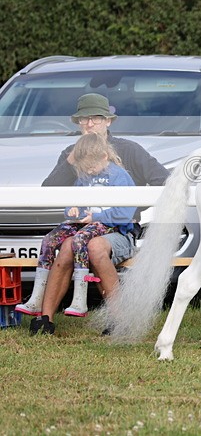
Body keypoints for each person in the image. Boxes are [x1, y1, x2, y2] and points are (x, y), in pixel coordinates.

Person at [28, 93, 169, 335]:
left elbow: (164, 181)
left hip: (119, 229)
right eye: (83, 120)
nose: (89, 124)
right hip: (82, 227)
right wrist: (71, 161)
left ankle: (119, 321)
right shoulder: (71, 154)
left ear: (108, 121)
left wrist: (131, 207)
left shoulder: (129, 150)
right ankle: (45, 319)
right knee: (67, 247)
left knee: (95, 248)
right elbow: (48, 191)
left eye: (95, 118)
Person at [17, 134, 136, 319]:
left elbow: (125, 213)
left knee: (86, 244)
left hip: (112, 228)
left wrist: (95, 217)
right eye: (85, 167)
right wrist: (72, 210)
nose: (89, 171)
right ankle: (39, 306)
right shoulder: (84, 177)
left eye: (92, 166)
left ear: (105, 156)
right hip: (85, 226)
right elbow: (76, 203)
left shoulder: (119, 176)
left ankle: (104, 311)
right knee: (53, 240)